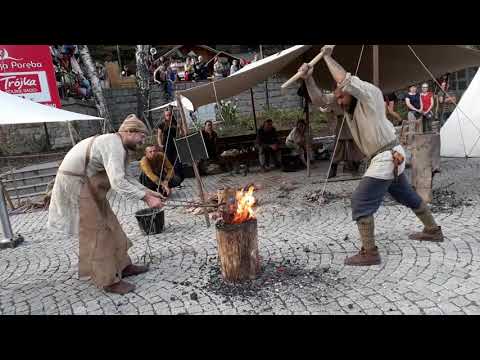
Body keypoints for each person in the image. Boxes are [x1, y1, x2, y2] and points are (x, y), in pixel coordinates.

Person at [299, 45, 444, 266]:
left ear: (349, 90)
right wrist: (308, 78)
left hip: (386, 155)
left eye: (340, 96)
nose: (338, 101)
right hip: (391, 156)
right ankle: (433, 230)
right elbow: (320, 100)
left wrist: (327, 58)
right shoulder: (347, 102)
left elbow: (345, 80)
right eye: (337, 97)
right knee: (407, 195)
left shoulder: (369, 93)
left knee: (360, 200)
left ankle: (370, 252)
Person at [47, 115, 164, 294]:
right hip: (76, 187)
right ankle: (108, 281)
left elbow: (126, 176)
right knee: (97, 232)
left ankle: (123, 266)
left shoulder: (119, 145)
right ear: (130, 132)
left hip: (88, 185)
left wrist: (148, 192)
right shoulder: (113, 144)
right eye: (141, 136)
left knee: (111, 224)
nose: (142, 141)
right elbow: (118, 182)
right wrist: (146, 199)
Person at [327, 109, 364, 178]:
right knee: (338, 148)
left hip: (351, 122)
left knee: (353, 146)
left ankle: (354, 167)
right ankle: (333, 169)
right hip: (341, 122)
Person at [157, 109, 184, 181]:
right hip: (167, 145)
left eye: (170, 115)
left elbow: (181, 134)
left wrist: (180, 127)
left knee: (177, 162)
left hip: (176, 144)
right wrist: (160, 144)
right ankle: (170, 179)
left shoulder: (175, 123)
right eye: (167, 115)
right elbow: (159, 136)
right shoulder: (161, 124)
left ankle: (178, 178)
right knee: (169, 162)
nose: (169, 116)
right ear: (164, 116)